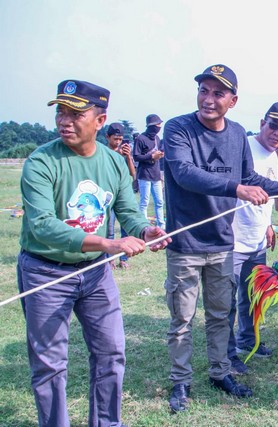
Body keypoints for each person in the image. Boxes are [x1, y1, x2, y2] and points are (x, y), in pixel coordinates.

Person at [18, 79, 170, 426]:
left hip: (95, 273)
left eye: (75, 113)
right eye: (60, 112)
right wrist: (109, 244)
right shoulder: (41, 162)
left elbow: (128, 211)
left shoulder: (114, 163)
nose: (64, 121)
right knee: (50, 364)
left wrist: (144, 230)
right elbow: (42, 225)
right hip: (46, 271)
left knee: (111, 353)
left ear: (100, 121)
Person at [163, 64, 278, 411]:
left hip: (223, 243)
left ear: (232, 100)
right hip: (187, 243)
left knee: (221, 315)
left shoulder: (237, 133)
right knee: (182, 319)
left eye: (218, 93)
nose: (208, 99)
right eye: (203, 90)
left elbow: (250, 176)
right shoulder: (178, 128)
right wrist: (237, 188)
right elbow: (185, 173)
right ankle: (181, 381)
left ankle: (220, 372)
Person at [227, 102, 278, 375]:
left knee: (251, 295)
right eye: (273, 125)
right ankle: (228, 352)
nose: (277, 133)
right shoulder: (243, 146)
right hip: (233, 238)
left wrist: (269, 225)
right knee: (227, 300)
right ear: (261, 123)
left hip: (256, 239)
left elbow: (269, 196)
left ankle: (247, 340)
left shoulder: (275, 158)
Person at [106, 122, 136, 269]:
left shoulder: (124, 153)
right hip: (108, 196)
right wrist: (115, 155)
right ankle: (109, 260)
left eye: (120, 139)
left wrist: (128, 157)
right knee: (109, 230)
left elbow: (133, 173)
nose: (117, 142)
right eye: (115, 139)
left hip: (122, 196)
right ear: (108, 137)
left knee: (126, 229)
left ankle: (124, 259)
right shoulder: (103, 153)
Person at [133, 114, 165, 229]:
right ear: (151, 126)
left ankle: (161, 225)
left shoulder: (157, 139)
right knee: (144, 202)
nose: (159, 127)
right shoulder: (140, 139)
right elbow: (136, 157)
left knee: (160, 202)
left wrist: (159, 155)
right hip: (144, 175)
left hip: (156, 175)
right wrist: (151, 156)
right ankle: (144, 226)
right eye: (157, 124)